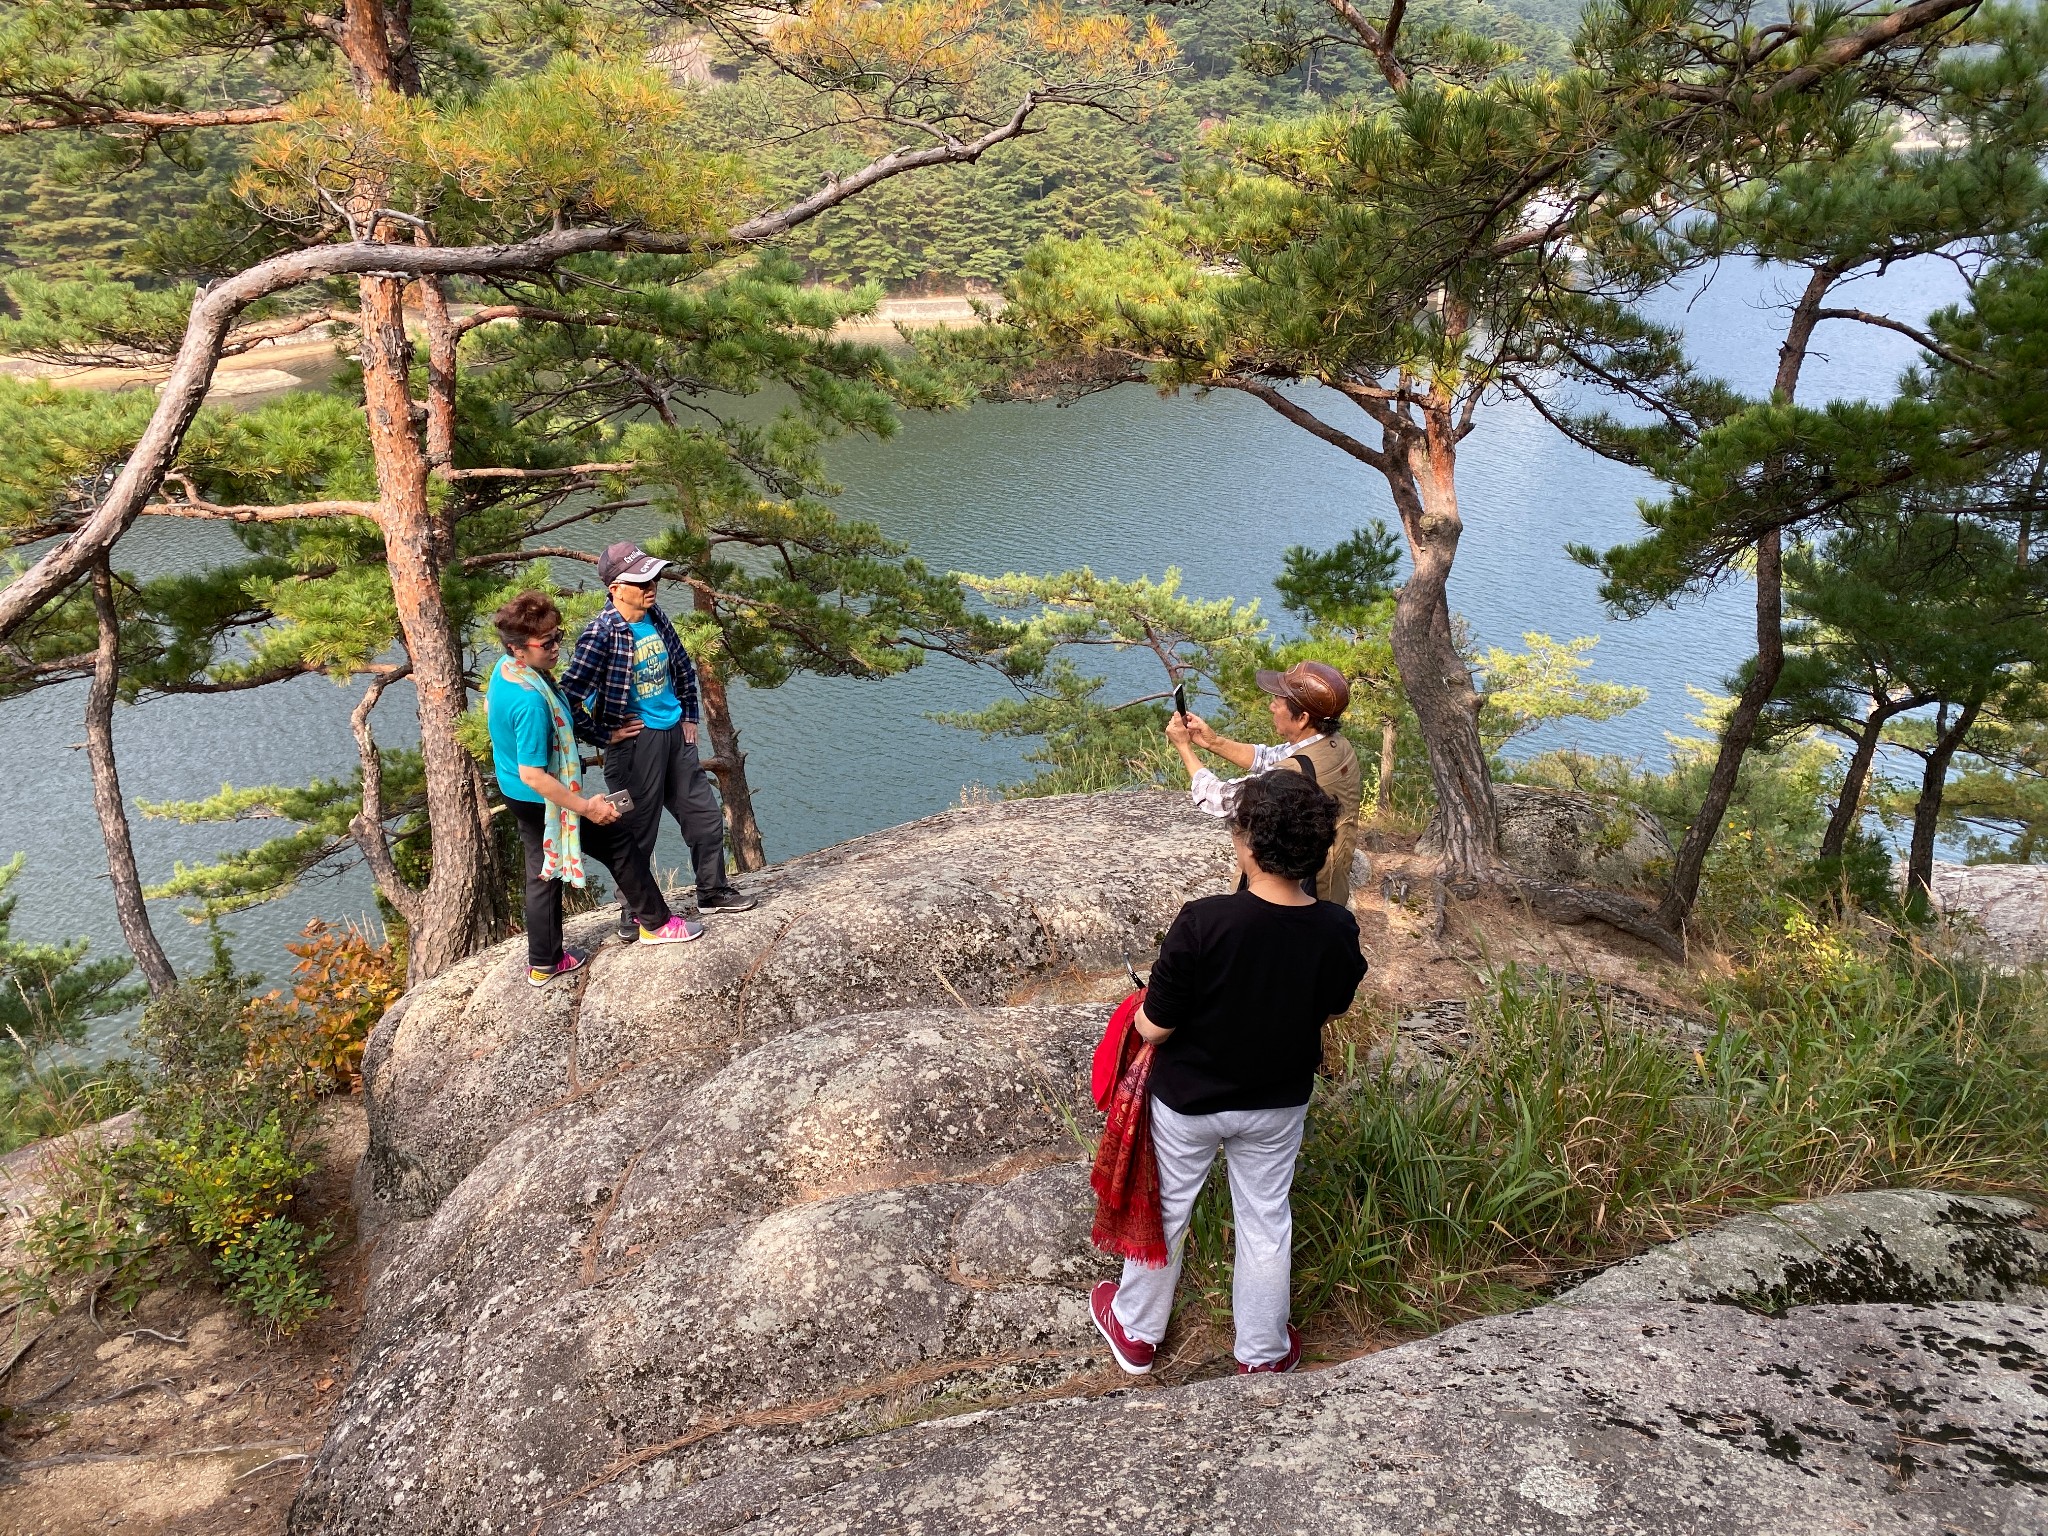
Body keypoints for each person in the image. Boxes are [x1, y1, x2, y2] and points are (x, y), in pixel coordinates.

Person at [1091, 770, 1368, 1375]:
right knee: (1266, 1217)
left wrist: (1142, 1007)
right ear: (1317, 850)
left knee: (1167, 1210)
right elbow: (1335, 1002)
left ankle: (1136, 1332)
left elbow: (1156, 1028)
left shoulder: (1204, 921)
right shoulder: (1335, 928)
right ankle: (1263, 1353)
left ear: (1246, 843)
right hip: (1277, 1099)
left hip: (1188, 1100)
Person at [487, 592, 704, 986]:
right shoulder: (530, 702)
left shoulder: (507, 671)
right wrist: (586, 807)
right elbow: (534, 774)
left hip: (517, 795)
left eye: (558, 637)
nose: (556, 648)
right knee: (619, 842)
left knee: (542, 872)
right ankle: (656, 923)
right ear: (517, 648)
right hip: (543, 796)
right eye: (546, 643)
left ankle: (545, 961)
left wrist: (604, 733)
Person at [560, 541, 758, 939]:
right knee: (636, 829)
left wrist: (689, 716)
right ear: (615, 587)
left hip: (674, 737)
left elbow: (684, 666)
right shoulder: (601, 634)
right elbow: (567, 697)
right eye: (641, 580)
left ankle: (712, 890)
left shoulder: (656, 616)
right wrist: (604, 734)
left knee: (703, 816)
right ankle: (634, 910)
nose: (652, 585)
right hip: (634, 748)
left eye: (654, 576)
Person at [1166, 659, 1363, 906]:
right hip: (1329, 883)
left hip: (1291, 896)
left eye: (1277, 703)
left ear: (1301, 718)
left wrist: (1184, 747)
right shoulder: (1335, 745)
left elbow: (1217, 796)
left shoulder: (1292, 775)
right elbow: (1268, 757)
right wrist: (1212, 742)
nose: (1271, 707)